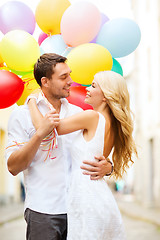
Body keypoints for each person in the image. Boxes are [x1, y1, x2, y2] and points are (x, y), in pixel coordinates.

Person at [5, 53, 113, 240]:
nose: (71, 81)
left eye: (69, 74)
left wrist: (109, 167)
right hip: (42, 212)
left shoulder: (77, 113)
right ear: (45, 81)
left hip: (79, 210)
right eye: (64, 77)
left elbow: (93, 151)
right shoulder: (21, 116)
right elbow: (13, 167)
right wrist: (39, 134)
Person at [28, 70, 137, 239]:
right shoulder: (113, 125)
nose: (87, 88)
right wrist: (109, 168)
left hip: (86, 197)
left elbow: (47, 129)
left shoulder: (92, 116)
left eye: (93, 86)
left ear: (105, 96)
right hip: (98, 194)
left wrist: (32, 101)